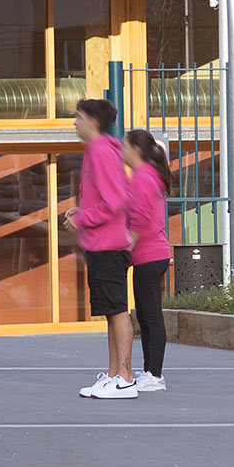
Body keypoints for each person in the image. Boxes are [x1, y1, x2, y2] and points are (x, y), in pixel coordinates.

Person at [67, 98, 138, 400]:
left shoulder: (100, 151)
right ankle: (113, 376)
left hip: (108, 245)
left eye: (79, 117)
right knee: (111, 311)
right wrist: (81, 212)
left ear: (93, 121)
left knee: (117, 310)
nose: (75, 122)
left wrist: (83, 218)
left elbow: (115, 202)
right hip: (103, 244)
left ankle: (125, 378)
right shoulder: (101, 150)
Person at [124, 129, 173, 393]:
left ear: (136, 149)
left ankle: (155, 374)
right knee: (144, 315)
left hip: (149, 255)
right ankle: (149, 371)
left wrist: (127, 247)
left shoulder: (143, 176)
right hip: (149, 256)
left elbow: (140, 219)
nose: (122, 150)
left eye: (125, 145)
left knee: (151, 316)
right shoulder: (146, 175)